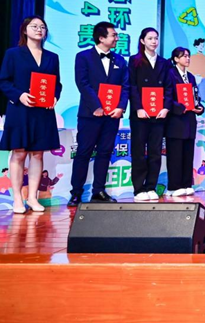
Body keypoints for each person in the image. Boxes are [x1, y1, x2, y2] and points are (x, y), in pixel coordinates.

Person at [0, 16, 62, 213]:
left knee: (37, 153)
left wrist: (55, 96)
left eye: (42, 27)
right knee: (19, 153)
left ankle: (33, 198)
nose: (39, 29)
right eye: (34, 26)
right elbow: (4, 81)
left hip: (43, 111)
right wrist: (20, 96)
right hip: (20, 109)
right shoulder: (13, 54)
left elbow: (57, 83)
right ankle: (18, 198)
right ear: (25, 30)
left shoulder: (52, 57)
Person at [69, 21, 129, 207]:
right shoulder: (83, 57)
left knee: (105, 152)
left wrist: (121, 107)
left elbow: (125, 86)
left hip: (112, 116)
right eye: (113, 35)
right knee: (83, 152)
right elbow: (82, 83)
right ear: (101, 38)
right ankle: (76, 193)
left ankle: (99, 191)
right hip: (90, 115)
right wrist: (96, 106)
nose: (117, 38)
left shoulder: (120, 60)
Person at [128, 27, 172, 202]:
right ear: (142, 41)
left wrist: (166, 108)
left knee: (155, 151)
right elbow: (132, 86)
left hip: (159, 114)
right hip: (140, 114)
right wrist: (138, 108)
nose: (154, 42)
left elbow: (169, 87)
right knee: (139, 151)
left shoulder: (164, 63)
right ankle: (139, 188)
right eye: (150, 38)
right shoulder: (134, 61)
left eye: (156, 38)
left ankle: (151, 186)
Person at [165, 47, 204, 197]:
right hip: (176, 120)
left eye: (188, 56)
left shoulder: (191, 76)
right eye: (184, 56)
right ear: (176, 59)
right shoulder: (170, 74)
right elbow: (167, 97)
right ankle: (174, 186)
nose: (187, 59)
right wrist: (182, 108)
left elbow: (195, 97)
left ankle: (187, 184)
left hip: (189, 120)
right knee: (175, 155)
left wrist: (199, 107)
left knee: (188, 154)